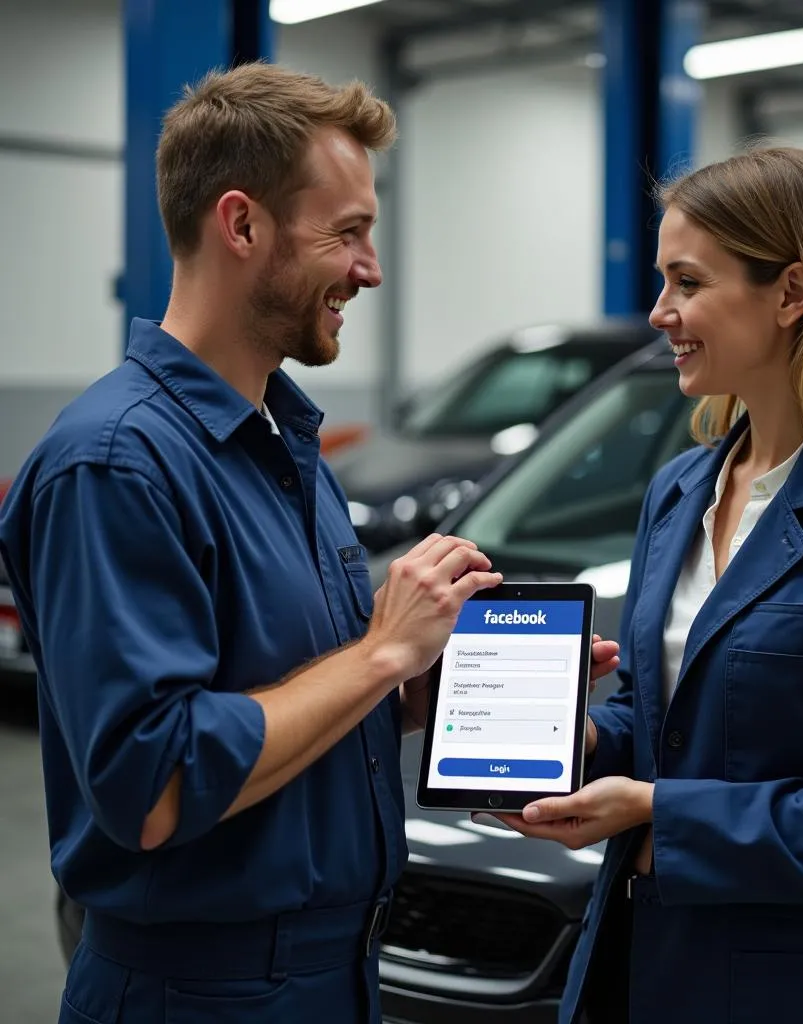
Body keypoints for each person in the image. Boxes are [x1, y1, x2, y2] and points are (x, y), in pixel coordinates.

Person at [0, 62, 620, 1023]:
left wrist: (423, 695)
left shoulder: (283, 445)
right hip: (202, 993)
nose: (369, 270)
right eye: (348, 234)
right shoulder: (117, 465)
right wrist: (379, 654)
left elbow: (283, 691)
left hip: (334, 976)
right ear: (241, 225)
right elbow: (155, 786)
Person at [494, 146, 803, 1024]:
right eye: (662, 281)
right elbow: (653, 715)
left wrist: (655, 815)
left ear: (791, 294)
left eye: (687, 283)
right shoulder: (679, 490)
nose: (659, 312)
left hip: (799, 989)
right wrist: (563, 746)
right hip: (638, 968)